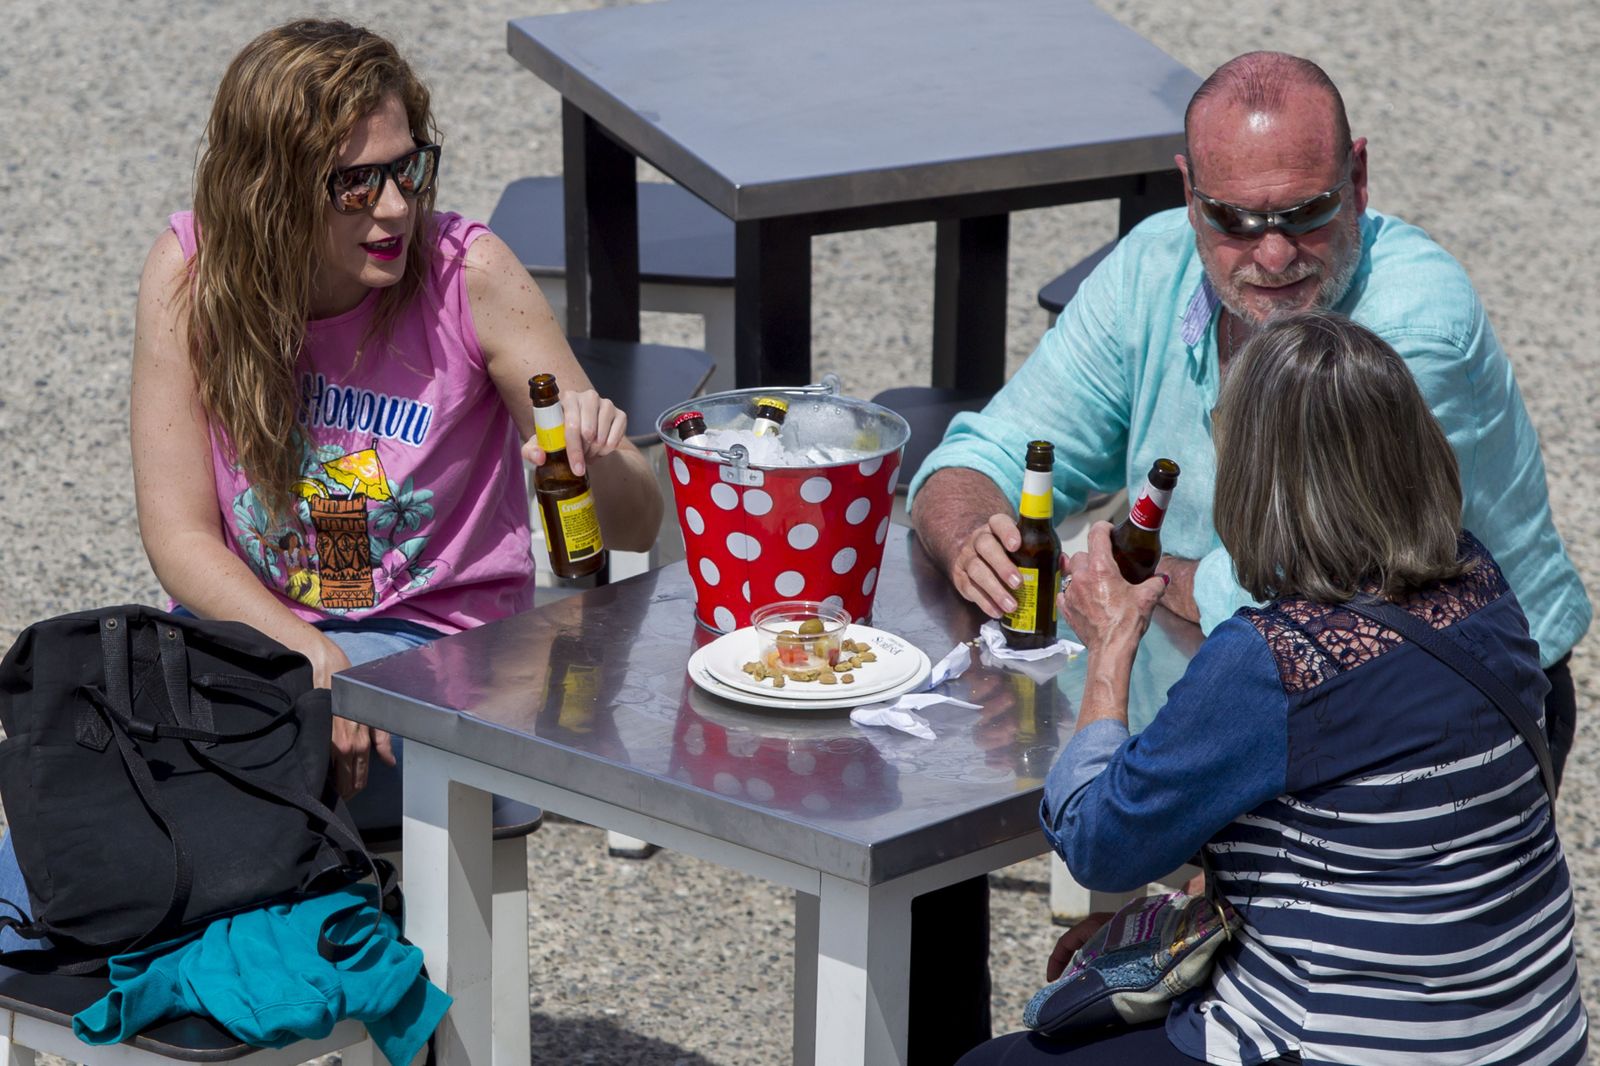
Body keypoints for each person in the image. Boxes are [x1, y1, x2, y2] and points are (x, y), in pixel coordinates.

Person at [909, 51, 1589, 787]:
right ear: (1190, 195)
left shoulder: (1414, 326)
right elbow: (987, 452)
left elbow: (1319, 581)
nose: (1272, 254)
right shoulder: (1151, 267)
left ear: (1357, 181)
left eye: (1305, 215)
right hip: (1237, 680)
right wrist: (974, 535)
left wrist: (1130, 582)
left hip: (1446, 703)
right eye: (1234, 218)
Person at [958, 311, 1587, 1065]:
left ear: (1259, 478)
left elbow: (1098, 845)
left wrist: (1111, 643)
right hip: (1531, 1035)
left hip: (1342, 1046)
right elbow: (1371, 838)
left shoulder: (1274, 659)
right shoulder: (1481, 582)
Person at [120, 17, 660, 809]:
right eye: (356, 183)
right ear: (268, 191)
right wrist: (306, 650)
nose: (397, 206)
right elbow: (179, 536)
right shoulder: (191, 275)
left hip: (440, 646)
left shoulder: (467, 275)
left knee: (209, 795)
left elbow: (638, 527)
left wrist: (597, 455)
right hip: (257, 635)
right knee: (83, 786)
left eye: (408, 168)